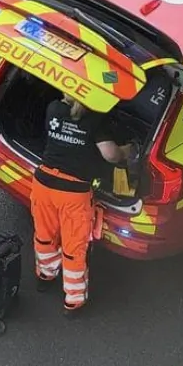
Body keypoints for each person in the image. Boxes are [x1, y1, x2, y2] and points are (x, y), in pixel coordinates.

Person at [30, 94, 132, 314]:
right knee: (74, 246)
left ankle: (45, 276)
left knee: (45, 235)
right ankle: (74, 300)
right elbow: (111, 155)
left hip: (43, 183)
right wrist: (128, 151)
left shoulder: (53, 108)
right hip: (72, 193)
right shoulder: (96, 119)